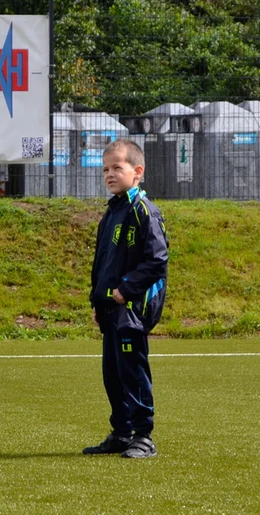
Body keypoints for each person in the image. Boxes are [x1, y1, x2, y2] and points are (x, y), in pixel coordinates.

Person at [83, 139, 169, 459]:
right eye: (105, 168)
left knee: (132, 371)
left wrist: (127, 290)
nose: (109, 174)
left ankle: (144, 436)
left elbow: (157, 261)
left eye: (117, 167)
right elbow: (103, 261)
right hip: (110, 308)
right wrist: (98, 300)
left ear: (137, 172)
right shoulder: (112, 212)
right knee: (113, 373)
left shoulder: (143, 210)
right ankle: (121, 433)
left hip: (131, 308)